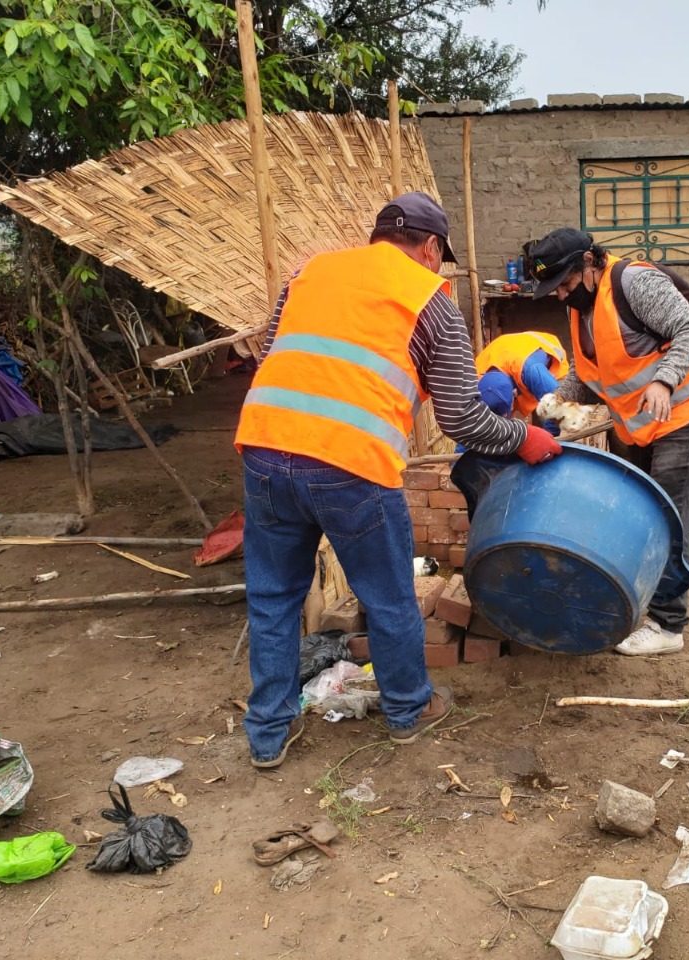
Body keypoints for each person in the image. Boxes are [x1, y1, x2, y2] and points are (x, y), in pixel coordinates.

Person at [234, 192, 562, 768]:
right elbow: (462, 418)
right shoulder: (429, 298)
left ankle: (267, 732)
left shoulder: (309, 274)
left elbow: (272, 358)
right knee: (388, 596)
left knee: (273, 599)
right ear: (431, 247)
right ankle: (409, 708)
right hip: (350, 464)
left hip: (264, 447)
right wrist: (522, 437)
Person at [526, 227, 689, 656]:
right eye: (555, 289)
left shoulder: (635, 283)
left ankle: (669, 625)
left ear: (588, 263)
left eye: (566, 284)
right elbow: (590, 370)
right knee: (635, 510)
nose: (561, 295)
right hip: (638, 425)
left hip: (686, 414)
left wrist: (665, 381)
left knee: (665, 516)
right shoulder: (582, 307)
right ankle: (639, 596)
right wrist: (560, 396)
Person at [474, 331, 569, 425]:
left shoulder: (533, 371)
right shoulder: (475, 379)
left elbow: (561, 409)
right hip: (509, 351)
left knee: (548, 417)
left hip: (549, 358)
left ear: (514, 392)